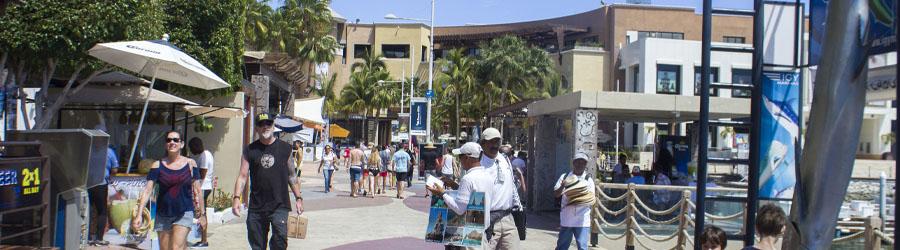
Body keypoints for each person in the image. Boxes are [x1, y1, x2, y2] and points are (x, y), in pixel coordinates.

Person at [231, 113, 304, 250]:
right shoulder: (250, 150)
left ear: (273, 126)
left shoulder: (285, 148)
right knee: (257, 245)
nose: (265, 127)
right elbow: (242, 176)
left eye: (268, 124)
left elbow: (292, 176)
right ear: (257, 128)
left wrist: (298, 198)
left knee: (280, 241)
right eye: (261, 124)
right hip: (257, 206)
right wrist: (236, 198)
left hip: (279, 204)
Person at [132, 131, 203, 250]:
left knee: (176, 248)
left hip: (184, 212)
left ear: (182, 144)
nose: (172, 142)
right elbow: (147, 190)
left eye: (176, 140)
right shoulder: (157, 165)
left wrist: (203, 214)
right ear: (166, 144)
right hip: (163, 214)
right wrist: (139, 215)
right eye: (169, 140)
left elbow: (198, 190)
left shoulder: (191, 164)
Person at [425, 142, 494, 248]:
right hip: (480, 234)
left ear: (467, 158)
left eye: (460, 157)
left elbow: (459, 209)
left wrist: (442, 193)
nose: (459, 160)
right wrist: (455, 185)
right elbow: (475, 197)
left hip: (466, 238)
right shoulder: (487, 176)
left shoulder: (468, 178)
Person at [479, 127, 522, 249]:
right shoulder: (478, 163)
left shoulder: (505, 159)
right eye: (491, 142)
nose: (495, 145)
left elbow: (511, 185)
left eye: (497, 141)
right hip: (488, 220)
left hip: (508, 218)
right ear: (482, 143)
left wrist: (518, 206)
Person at [553, 153, 595, 250]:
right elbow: (556, 194)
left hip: (582, 220)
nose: (580, 165)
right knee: (562, 247)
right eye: (578, 162)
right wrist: (563, 186)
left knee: (582, 247)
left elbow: (590, 199)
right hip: (567, 218)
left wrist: (577, 198)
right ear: (573, 163)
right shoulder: (564, 177)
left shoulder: (588, 180)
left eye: (583, 163)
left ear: (585, 165)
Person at [89, 125, 117, 246]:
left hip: (87, 184)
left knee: (88, 211)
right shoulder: (109, 152)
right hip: (101, 184)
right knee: (102, 212)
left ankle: (88, 237)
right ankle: (99, 239)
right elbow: (115, 169)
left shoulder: (88, 150)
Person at [188, 137, 215, 248]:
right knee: (201, 214)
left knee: (201, 213)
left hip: (203, 187)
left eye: (191, 148)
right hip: (205, 186)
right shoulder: (206, 154)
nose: (192, 150)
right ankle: (202, 239)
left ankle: (204, 240)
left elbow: (202, 174)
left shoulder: (204, 156)